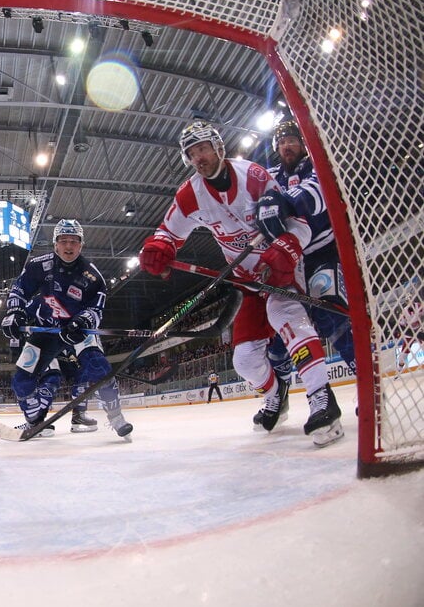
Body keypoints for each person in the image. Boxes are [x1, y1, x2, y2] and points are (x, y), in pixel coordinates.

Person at [139, 121, 343, 447]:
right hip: (248, 283)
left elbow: (298, 222)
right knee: (244, 361)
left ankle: (322, 399)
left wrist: (287, 247)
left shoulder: (255, 176)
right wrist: (159, 248)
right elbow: (168, 232)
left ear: (219, 147)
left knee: (285, 318)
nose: (199, 158)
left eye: (203, 149)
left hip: (279, 272)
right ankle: (276, 395)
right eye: (192, 154)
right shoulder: (190, 194)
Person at [255, 120, 356, 427]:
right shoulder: (269, 176)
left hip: (320, 254)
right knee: (278, 333)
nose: (286, 145)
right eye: (281, 141)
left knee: (334, 320)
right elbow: (255, 207)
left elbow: (311, 198)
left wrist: (279, 202)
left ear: (302, 142)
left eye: (291, 140)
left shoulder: (318, 166)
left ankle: (370, 388)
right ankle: (279, 393)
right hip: (288, 259)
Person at [1, 219, 132, 439]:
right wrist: (14, 312)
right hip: (46, 331)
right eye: (63, 241)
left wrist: (82, 322)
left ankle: (116, 416)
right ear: (55, 244)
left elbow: (96, 310)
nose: (68, 246)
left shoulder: (93, 276)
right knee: (21, 381)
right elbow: (19, 289)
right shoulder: (39, 266)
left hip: (77, 332)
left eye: (73, 241)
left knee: (99, 368)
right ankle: (35, 421)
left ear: (81, 245)